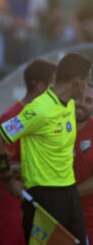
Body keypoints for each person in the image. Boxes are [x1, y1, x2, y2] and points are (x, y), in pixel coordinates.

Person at [0, 53, 92, 244]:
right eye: (86, 82)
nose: (86, 89)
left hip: (69, 193)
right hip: (45, 197)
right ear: (77, 82)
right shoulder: (39, 110)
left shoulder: (69, 104)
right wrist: (9, 180)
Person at [0, 59, 57, 245]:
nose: (60, 88)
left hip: (30, 200)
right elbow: (2, 162)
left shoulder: (43, 114)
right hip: (11, 201)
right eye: (54, 82)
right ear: (40, 86)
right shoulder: (15, 116)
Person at [74, 83, 93, 244]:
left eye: (88, 100)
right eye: (79, 98)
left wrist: (68, 195)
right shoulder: (54, 126)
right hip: (54, 216)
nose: (82, 103)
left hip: (90, 220)